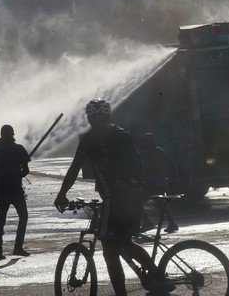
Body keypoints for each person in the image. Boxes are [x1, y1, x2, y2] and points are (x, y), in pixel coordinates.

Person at [55, 99, 168, 296]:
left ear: (89, 119)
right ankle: (158, 276)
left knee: (110, 251)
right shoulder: (122, 134)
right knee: (125, 242)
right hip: (133, 197)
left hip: (113, 197)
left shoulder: (89, 140)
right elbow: (139, 166)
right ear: (109, 116)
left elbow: (74, 169)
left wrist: (62, 194)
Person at [0, 124, 31, 260]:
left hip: (0, 190)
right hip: (15, 189)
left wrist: (0, 180)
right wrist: (17, 174)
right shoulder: (18, 149)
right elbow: (26, 170)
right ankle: (18, 247)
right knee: (23, 216)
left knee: (1, 220)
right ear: (12, 134)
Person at [137, 133, 180, 233]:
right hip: (161, 182)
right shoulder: (160, 151)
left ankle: (147, 222)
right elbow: (171, 166)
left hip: (149, 183)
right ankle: (172, 223)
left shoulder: (144, 154)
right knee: (161, 204)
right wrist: (172, 178)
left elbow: (140, 168)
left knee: (137, 203)